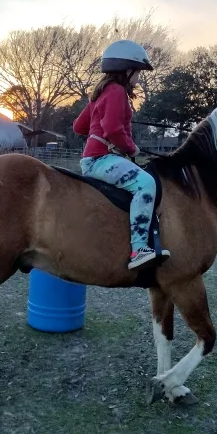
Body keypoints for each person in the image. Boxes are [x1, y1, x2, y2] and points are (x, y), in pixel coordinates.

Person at [73, 39, 170, 270]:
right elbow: (113, 129)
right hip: (101, 159)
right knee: (146, 184)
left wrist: (100, 132)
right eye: (138, 73)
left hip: (93, 158)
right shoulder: (116, 91)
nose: (138, 78)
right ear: (127, 70)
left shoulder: (100, 93)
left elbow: (79, 127)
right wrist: (129, 147)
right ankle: (138, 249)